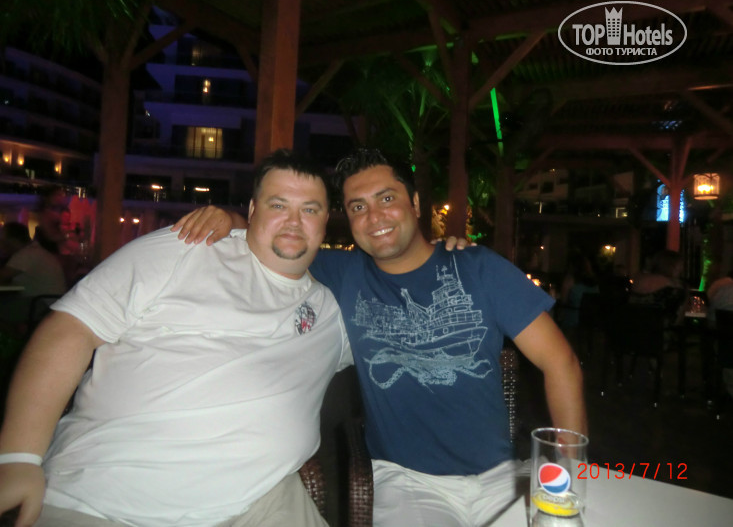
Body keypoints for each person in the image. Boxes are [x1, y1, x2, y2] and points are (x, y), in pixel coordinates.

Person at [174, 148, 587, 527]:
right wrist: (232, 221)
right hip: (409, 483)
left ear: (416, 204)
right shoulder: (342, 273)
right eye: (359, 206)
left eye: (387, 198)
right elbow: (276, 240)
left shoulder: (478, 267)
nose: (375, 216)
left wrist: (571, 471)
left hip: (503, 478)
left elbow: (560, 362)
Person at [0, 150, 350, 527]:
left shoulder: (332, 312)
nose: (293, 221)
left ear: (325, 220)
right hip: (99, 501)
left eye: (310, 209)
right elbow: (71, 328)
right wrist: (18, 458)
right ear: (252, 210)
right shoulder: (188, 247)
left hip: (254, 505)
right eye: (278, 205)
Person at [0, 222, 66, 339]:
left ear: (12, 240)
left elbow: (2, 276)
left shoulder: (26, 254)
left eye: (2, 240)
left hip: (42, 304)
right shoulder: (34, 251)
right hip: (50, 302)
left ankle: (16, 342)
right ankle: (18, 340)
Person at [629, 249, 687, 326]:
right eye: (679, 267)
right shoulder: (675, 287)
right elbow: (677, 319)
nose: (681, 269)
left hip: (631, 325)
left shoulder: (639, 279)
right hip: (657, 329)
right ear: (671, 266)